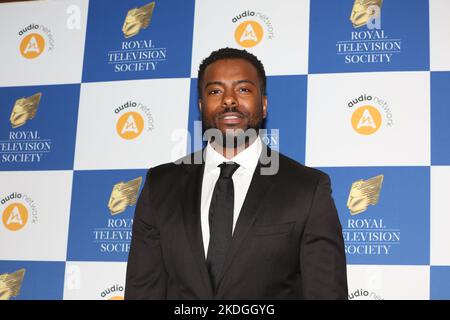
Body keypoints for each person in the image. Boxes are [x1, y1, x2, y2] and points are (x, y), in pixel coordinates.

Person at [124, 47, 348, 300]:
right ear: (201, 106)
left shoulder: (307, 188)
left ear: (263, 105)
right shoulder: (161, 185)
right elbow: (143, 291)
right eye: (215, 91)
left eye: (243, 89)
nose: (229, 100)